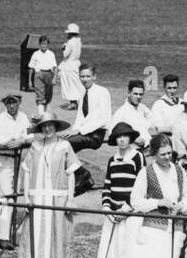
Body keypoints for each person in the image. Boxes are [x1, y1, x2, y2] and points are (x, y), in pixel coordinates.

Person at [17, 111, 81, 258]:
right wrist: (26, 196)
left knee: (56, 234)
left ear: (56, 126)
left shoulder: (65, 146)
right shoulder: (35, 146)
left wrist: (70, 198)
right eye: (44, 126)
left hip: (57, 197)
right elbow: (27, 171)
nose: (47, 128)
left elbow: (70, 173)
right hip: (37, 197)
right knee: (35, 234)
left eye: (50, 125)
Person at [94, 122, 145, 258]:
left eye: (125, 136)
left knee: (126, 250)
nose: (122, 140)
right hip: (113, 213)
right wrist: (107, 208)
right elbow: (107, 186)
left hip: (129, 213)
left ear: (131, 138)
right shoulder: (112, 159)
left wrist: (127, 208)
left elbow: (141, 187)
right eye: (119, 137)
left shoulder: (138, 157)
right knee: (113, 251)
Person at [0, 94, 31, 250]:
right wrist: (11, 142)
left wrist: (22, 140)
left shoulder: (23, 117)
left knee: (14, 198)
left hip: (18, 161)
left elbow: (30, 135)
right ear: (5, 104)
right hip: (4, 161)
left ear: (19, 103)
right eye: (8, 103)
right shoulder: (0, 119)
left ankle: (11, 234)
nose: (12, 106)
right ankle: (3, 237)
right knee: (5, 198)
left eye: (14, 102)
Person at [66, 63, 112, 196]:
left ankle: (82, 174)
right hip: (85, 132)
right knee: (62, 144)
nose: (85, 79)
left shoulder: (102, 92)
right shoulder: (83, 93)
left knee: (65, 146)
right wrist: (72, 131)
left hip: (96, 135)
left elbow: (103, 119)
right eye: (82, 76)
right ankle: (77, 178)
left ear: (94, 77)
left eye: (88, 76)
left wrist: (80, 131)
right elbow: (80, 117)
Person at [111, 79, 152, 146]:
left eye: (141, 94)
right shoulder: (121, 112)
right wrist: (133, 138)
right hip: (133, 150)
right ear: (129, 93)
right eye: (135, 94)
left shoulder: (142, 108)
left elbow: (153, 120)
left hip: (148, 147)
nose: (138, 97)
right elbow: (112, 133)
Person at [27, 35, 57, 115]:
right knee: (40, 96)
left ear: (48, 45)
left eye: (46, 44)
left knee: (48, 96)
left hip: (49, 75)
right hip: (39, 75)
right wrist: (30, 80)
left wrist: (54, 78)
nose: (44, 46)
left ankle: (46, 114)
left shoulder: (51, 54)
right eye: (42, 44)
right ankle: (41, 115)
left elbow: (55, 67)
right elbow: (31, 68)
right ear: (39, 44)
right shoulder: (36, 54)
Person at [58, 24, 83, 109]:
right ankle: (76, 102)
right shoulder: (79, 42)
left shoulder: (70, 42)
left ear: (71, 33)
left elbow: (65, 54)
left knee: (69, 85)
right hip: (76, 64)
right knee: (76, 84)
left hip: (69, 65)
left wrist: (64, 48)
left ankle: (73, 103)